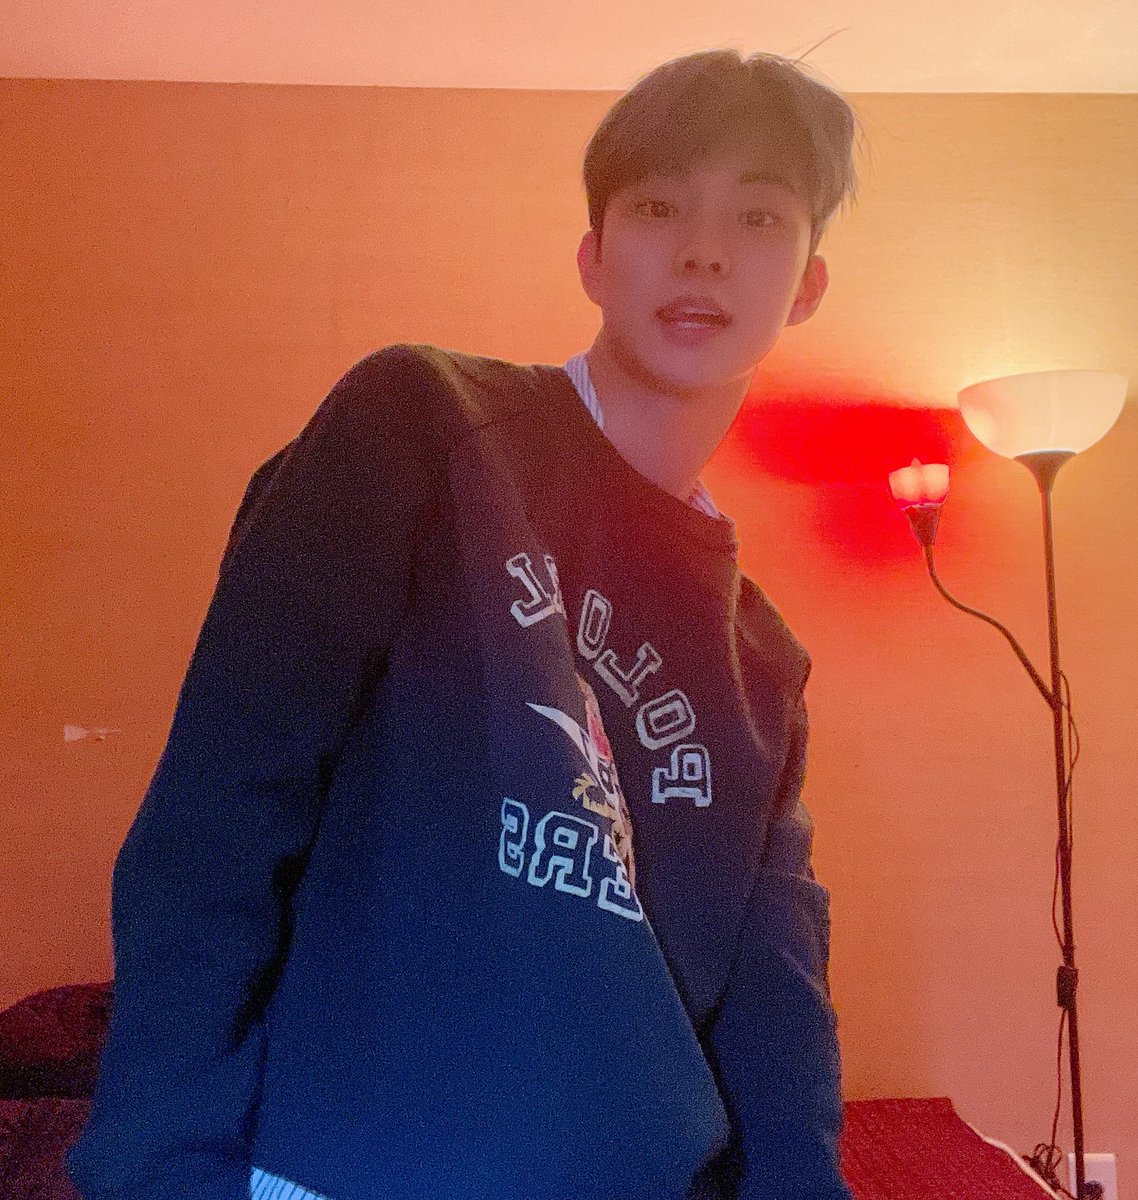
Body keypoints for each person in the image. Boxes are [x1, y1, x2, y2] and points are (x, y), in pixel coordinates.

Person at [66, 47, 859, 1200]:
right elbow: (217, 814)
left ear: (808, 284)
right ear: (593, 257)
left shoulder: (763, 665)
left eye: (758, 214)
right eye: (657, 206)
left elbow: (779, 1012)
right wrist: (161, 1168)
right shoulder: (422, 426)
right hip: (340, 1168)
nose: (704, 249)